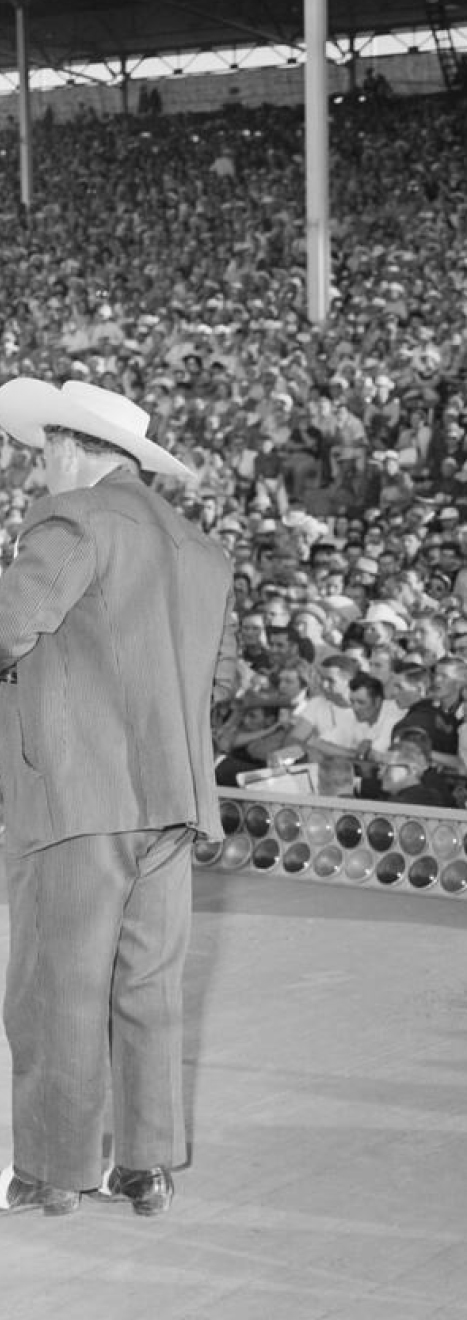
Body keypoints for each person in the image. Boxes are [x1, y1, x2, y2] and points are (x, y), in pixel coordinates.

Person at [0, 378, 236, 1218]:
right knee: (147, 987)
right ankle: (145, 1166)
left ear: (70, 447)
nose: (37, 470)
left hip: (76, 797)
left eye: (41, 453)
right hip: (173, 802)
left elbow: (7, 625)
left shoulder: (71, 521)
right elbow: (227, 675)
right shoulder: (200, 549)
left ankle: (53, 1171)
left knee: (53, 986)